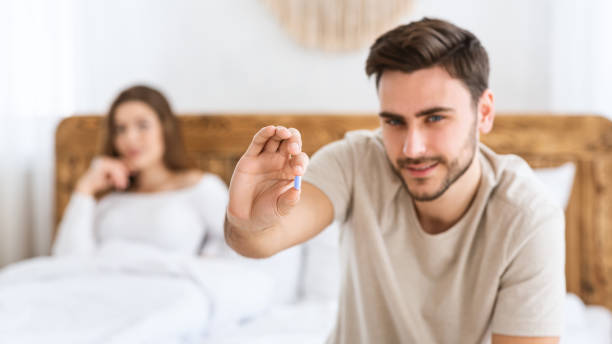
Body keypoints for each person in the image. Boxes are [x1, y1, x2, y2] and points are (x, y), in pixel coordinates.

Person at [224, 18, 565, 344]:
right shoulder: (355, 161)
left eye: (434, 118)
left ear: (484, 113)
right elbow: (261, 240)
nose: (411, 148)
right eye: (394, 121)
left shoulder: (528, 215)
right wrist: (247, 218)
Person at [53, 85, 228, 256]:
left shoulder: (200, 187)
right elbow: (68, 261)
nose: (130, 138)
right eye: (120, 129)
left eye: (142, 125)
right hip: (103, 282)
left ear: (165, 129)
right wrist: (85, 189)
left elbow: (239, 246)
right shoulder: (109, 198)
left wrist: (205, 260)